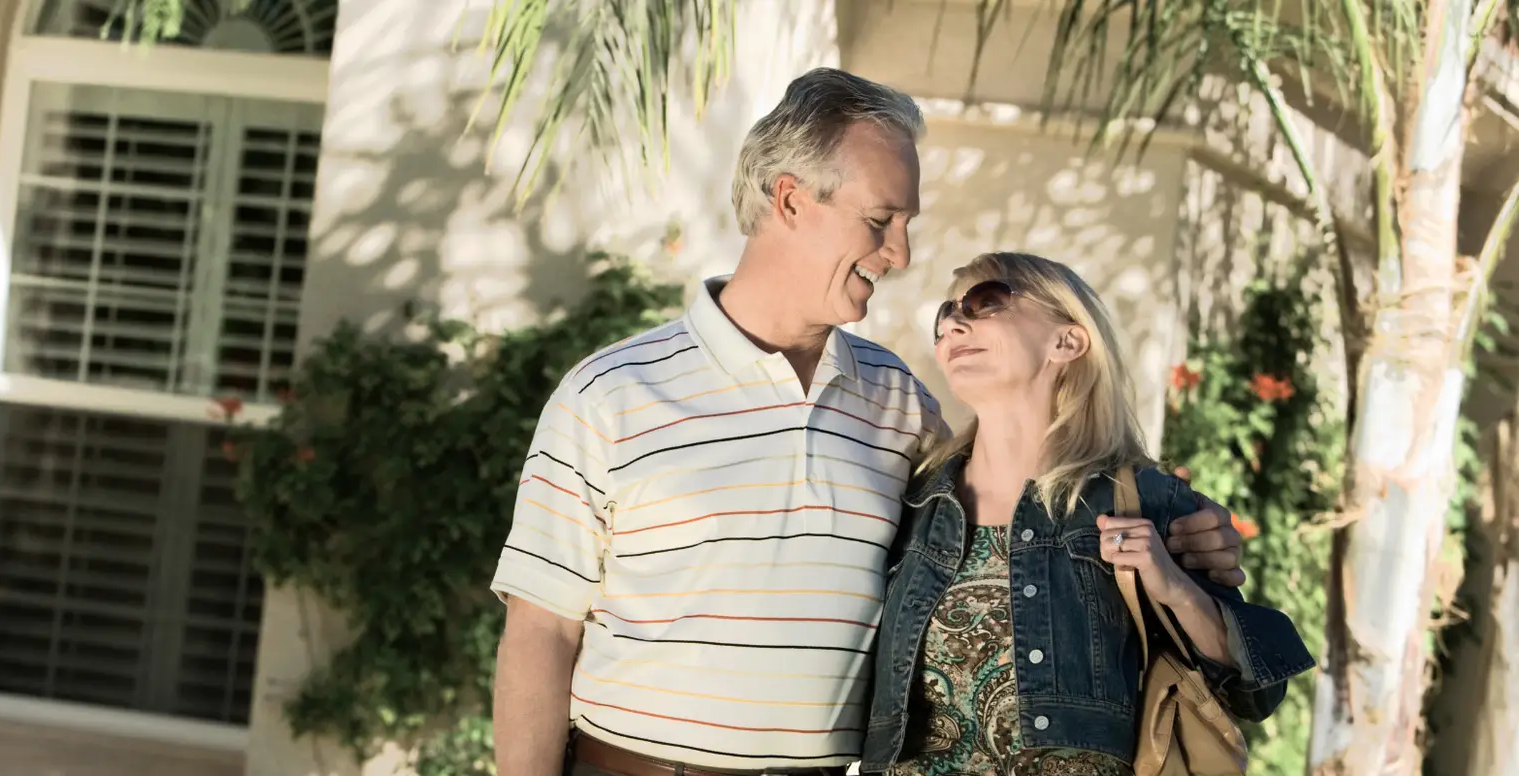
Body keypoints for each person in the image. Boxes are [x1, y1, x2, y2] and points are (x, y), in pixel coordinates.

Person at [487, 68, 1249, 776]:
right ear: (789, 201)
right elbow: (540, 633)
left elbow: (1014, 508)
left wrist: (1191, 537)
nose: (901, 254)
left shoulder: (897, 401)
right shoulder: (611, 392)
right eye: (881, 220)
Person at [857, 252, 1315, 774]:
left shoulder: (1141, 500)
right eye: (947, 315)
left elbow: (1255, 693)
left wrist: (1174, 589)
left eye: (987, 302)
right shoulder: (911, 500)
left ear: (1067, 341)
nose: (955, 324)